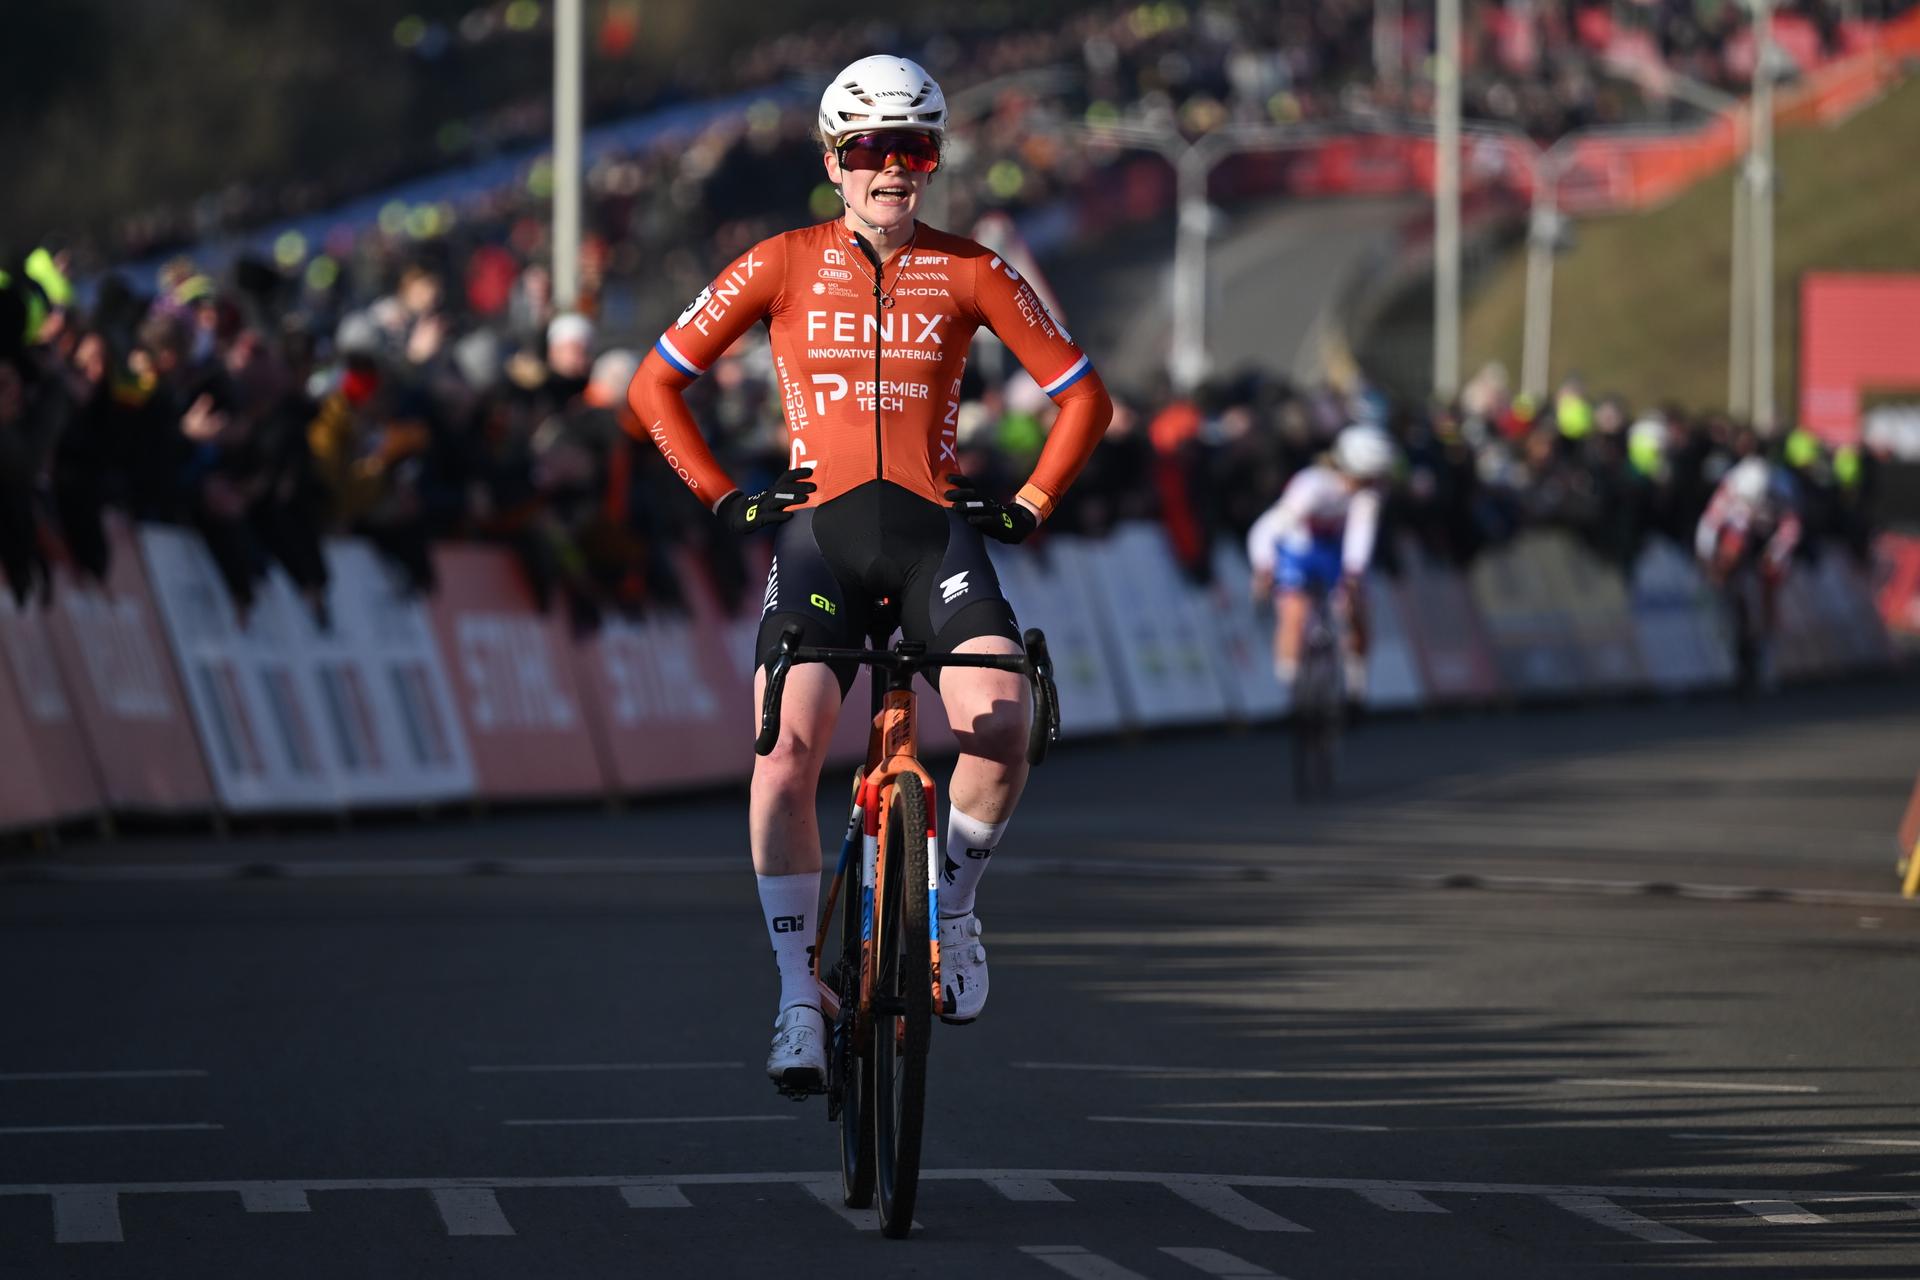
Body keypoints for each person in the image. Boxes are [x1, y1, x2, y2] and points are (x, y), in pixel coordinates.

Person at [627, 55, 1113, 1092]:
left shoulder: (973, 268)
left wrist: (1029, 502)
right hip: (819, 540)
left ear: (933, 160)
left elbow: (1085, 399)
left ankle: (957, 908)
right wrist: (720, 494)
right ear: (834, 160)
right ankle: (800, 996)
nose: (893, 169)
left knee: (1003, 719)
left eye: (915, 149)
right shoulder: (779, 261)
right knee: (785, 751)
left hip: (935, 534)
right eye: (869, 150)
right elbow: (652, 386)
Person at [1245, 424, 1396, 698]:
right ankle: (1290, 686)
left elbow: (1360, 534)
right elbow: (1269, 528)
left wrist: (1354, 574)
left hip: (1335, 550)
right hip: (1299, 548)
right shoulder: (1312, 485)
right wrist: (1263, 565)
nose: (1371, 485)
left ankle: (1355, 682)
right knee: (1294, 612)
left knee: (1355, 608)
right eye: (1368, 477)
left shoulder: (1369, 494)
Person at [1695, 454, 1801, 687]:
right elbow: (1708, 526)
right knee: (1733, 544)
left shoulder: (1781, 492)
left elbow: (1790, 532)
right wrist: (1707, 559)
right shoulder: (1730, 490)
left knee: (1771, 585)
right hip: (1740, 537)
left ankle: (1767, 655)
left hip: (1767, 538)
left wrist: (1774, 555)